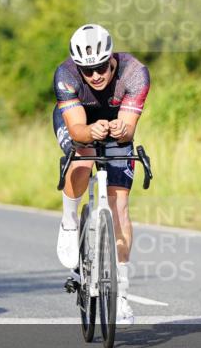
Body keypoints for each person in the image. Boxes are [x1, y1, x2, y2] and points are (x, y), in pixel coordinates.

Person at [52, 24, 150, 324]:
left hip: (115, 123)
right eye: (87, 69)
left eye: (100, 68)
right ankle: (69, 222)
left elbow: (128, 128)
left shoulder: (135, 73)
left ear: (112, 60)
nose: (94, 75)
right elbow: (78, 129)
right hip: (80, 123)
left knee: (119, 207)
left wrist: (122, 129)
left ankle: (120, 296)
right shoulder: (66, 75)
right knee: (82, 158)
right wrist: (89, 132)